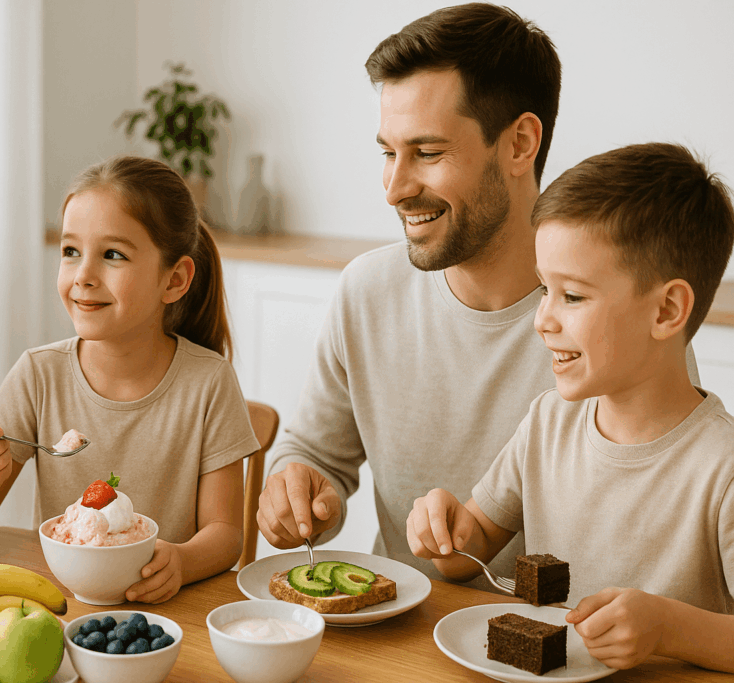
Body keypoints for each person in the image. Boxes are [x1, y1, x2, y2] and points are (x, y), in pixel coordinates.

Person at [255, 3, 701, 583]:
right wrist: (298, 486)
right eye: (388, 153)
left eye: (428, 153)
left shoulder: (623, 322)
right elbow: (314, 454)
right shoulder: (366, 291)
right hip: (401, 642)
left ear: (519, 144)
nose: (394, 189)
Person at [407, 142, 734, 672]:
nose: (543, 320)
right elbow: (467, 553)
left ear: (668, 309)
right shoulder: (547, 423)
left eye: (573, 296)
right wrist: (444, 531)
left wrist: (670, 628)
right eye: (544, 290)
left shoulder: (722, 470)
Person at [0, 155, 259, 604]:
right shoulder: (38, 375)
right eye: (71, 252)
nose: (83, 277)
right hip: (61, 607)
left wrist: (182, 562)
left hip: (167, 617)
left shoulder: (208, 383)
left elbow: (226, 534)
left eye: (112, 255)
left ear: (175, 279)